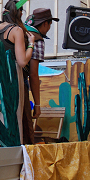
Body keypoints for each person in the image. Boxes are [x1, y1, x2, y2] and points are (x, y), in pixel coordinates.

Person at [0, 0, 35, 146]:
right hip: (11, 74)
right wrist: (31, 45)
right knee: (12, 115)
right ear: (18, 13)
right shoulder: (16, 31)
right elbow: (22, 61)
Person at [23, 8, 59, 144]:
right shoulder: (36, 39)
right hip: (18, 82)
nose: (49, 28)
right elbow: (33, 74)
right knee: (25, 123)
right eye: (50, 25)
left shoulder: (20, 30)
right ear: (45, 23)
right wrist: (37, 104)